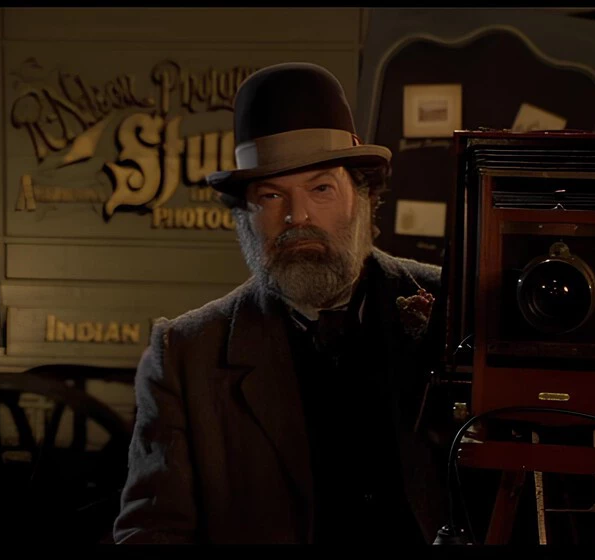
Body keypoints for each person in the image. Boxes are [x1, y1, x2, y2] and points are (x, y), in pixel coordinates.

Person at [113, 63, 451, 544]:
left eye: (321, 189)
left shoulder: (451, 307)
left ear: (363, 197)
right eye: (271, 195)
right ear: (245, 218)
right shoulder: (186, 356)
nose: (297, 216)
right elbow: (152, 531)